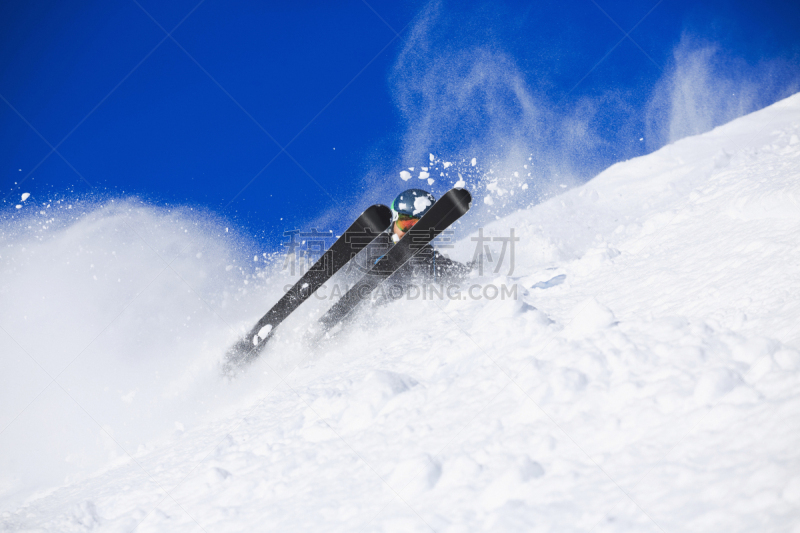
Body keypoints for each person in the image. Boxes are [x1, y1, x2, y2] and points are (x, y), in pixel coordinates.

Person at [366, 189, 470, 301]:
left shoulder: (428, 257)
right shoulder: (376, 244)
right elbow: (355, 268)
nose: (409, 233)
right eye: (405, 223)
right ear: (393, 222)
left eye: (418, 228)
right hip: (370, 305)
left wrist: (472, 270)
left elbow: (456, 273)